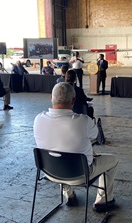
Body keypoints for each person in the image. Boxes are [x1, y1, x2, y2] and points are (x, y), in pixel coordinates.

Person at [33, 82, 118, 212]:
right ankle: (103, 201)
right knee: (113, 160)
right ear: (73, 100)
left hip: (50, 172)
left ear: (51, 98)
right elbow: (95, 136)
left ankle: (69, 195)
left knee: (58, 154)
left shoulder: (38, 119)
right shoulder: (83, 120)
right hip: (80, 174)